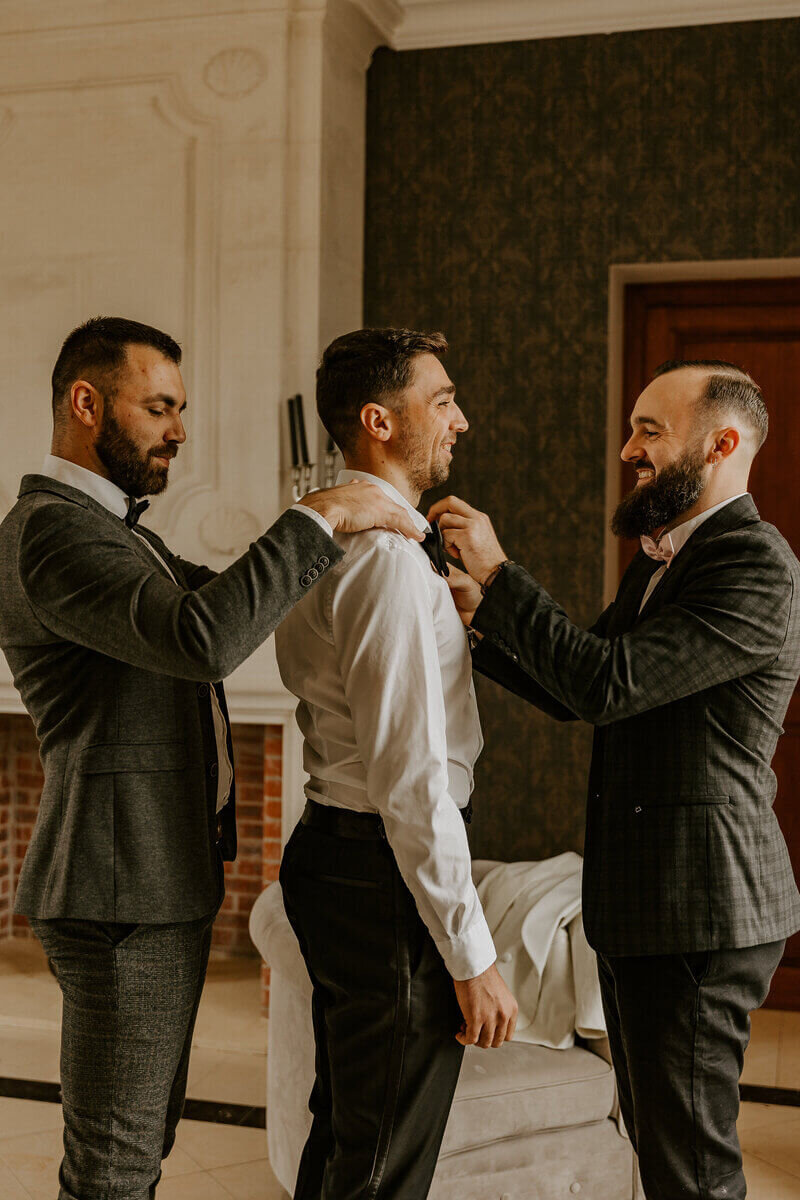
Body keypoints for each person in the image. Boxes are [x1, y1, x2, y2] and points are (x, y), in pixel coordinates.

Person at [0, 315, 423, 1200]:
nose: (179, 431)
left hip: (146, 885)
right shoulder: (52, 530)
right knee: (114, 1168)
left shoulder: (121, 532)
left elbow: (236, 599)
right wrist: (324, 508)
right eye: (158, 407)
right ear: (86, 403)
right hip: (121, 891)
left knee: (137, 1148)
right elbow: (204, 638)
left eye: (179, 409)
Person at [429, 359, 800, 1200]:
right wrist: (472, 627)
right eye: (632, 428)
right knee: (660, 1142)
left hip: (702, 909)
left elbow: (607, 683)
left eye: (649, 431)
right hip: (648, 907)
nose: (629, 449)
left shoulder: (755, 566)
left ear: (722, 444)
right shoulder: (661, 561)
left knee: (693, 1170)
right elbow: (577, 689)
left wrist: (497, 573)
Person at [275, 327, 518, 1200]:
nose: (462, 420)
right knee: (382, 1165)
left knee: (349, 1135)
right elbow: (411, 782)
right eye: (443, 400)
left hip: (341, 854)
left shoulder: (330, 536)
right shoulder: (381, 560)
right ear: (379, 420)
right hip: (378, 870)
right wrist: (471, 957)